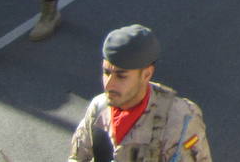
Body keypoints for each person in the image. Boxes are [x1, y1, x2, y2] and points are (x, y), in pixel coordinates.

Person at [69, 24, 213, 162]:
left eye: (121, 76)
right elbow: (78, 157)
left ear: (146, 74)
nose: (108, 84)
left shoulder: (179, 121)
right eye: (106, 73)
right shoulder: (99, 107)